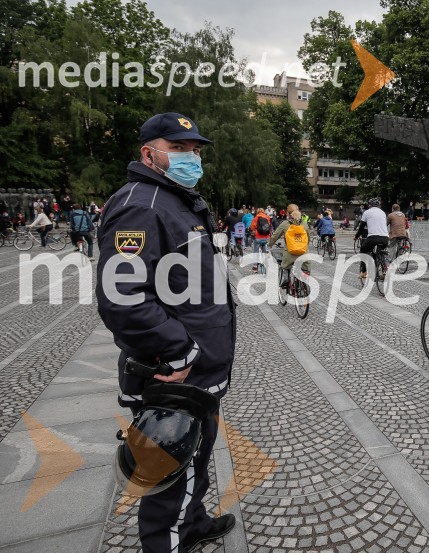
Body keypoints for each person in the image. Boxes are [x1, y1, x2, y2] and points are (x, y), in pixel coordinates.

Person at [95, 112, 236, 552]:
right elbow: (123, 297)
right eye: (178, 148)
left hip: (197, 369)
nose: (191, 156)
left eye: (194, 149)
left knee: (194, 457)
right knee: (170, 466)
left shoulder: (174, 199)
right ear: (149, 153)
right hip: (172, 371)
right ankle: (167, 542)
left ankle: (191, 524)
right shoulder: (142, 204)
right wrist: (177, 351)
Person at [269, 205, 311, 287]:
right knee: (306, 266)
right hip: (303, 252)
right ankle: (305, 281)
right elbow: (308, 238)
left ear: (288, 214)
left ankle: (286, 280)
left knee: (285, 265)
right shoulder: (304, 224)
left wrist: (269, 244)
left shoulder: (285, 224)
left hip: (290, 253)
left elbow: (275, 235)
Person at [356, 198, 389, 279]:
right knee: (378, 252)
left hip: (373, 237)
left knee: (363, 250)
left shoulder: (366, 212)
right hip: (385, 238)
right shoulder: (383, 212)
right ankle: (383, 267)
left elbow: (361, 227)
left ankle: (363, 272)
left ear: (369, 205)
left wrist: (356, 236)